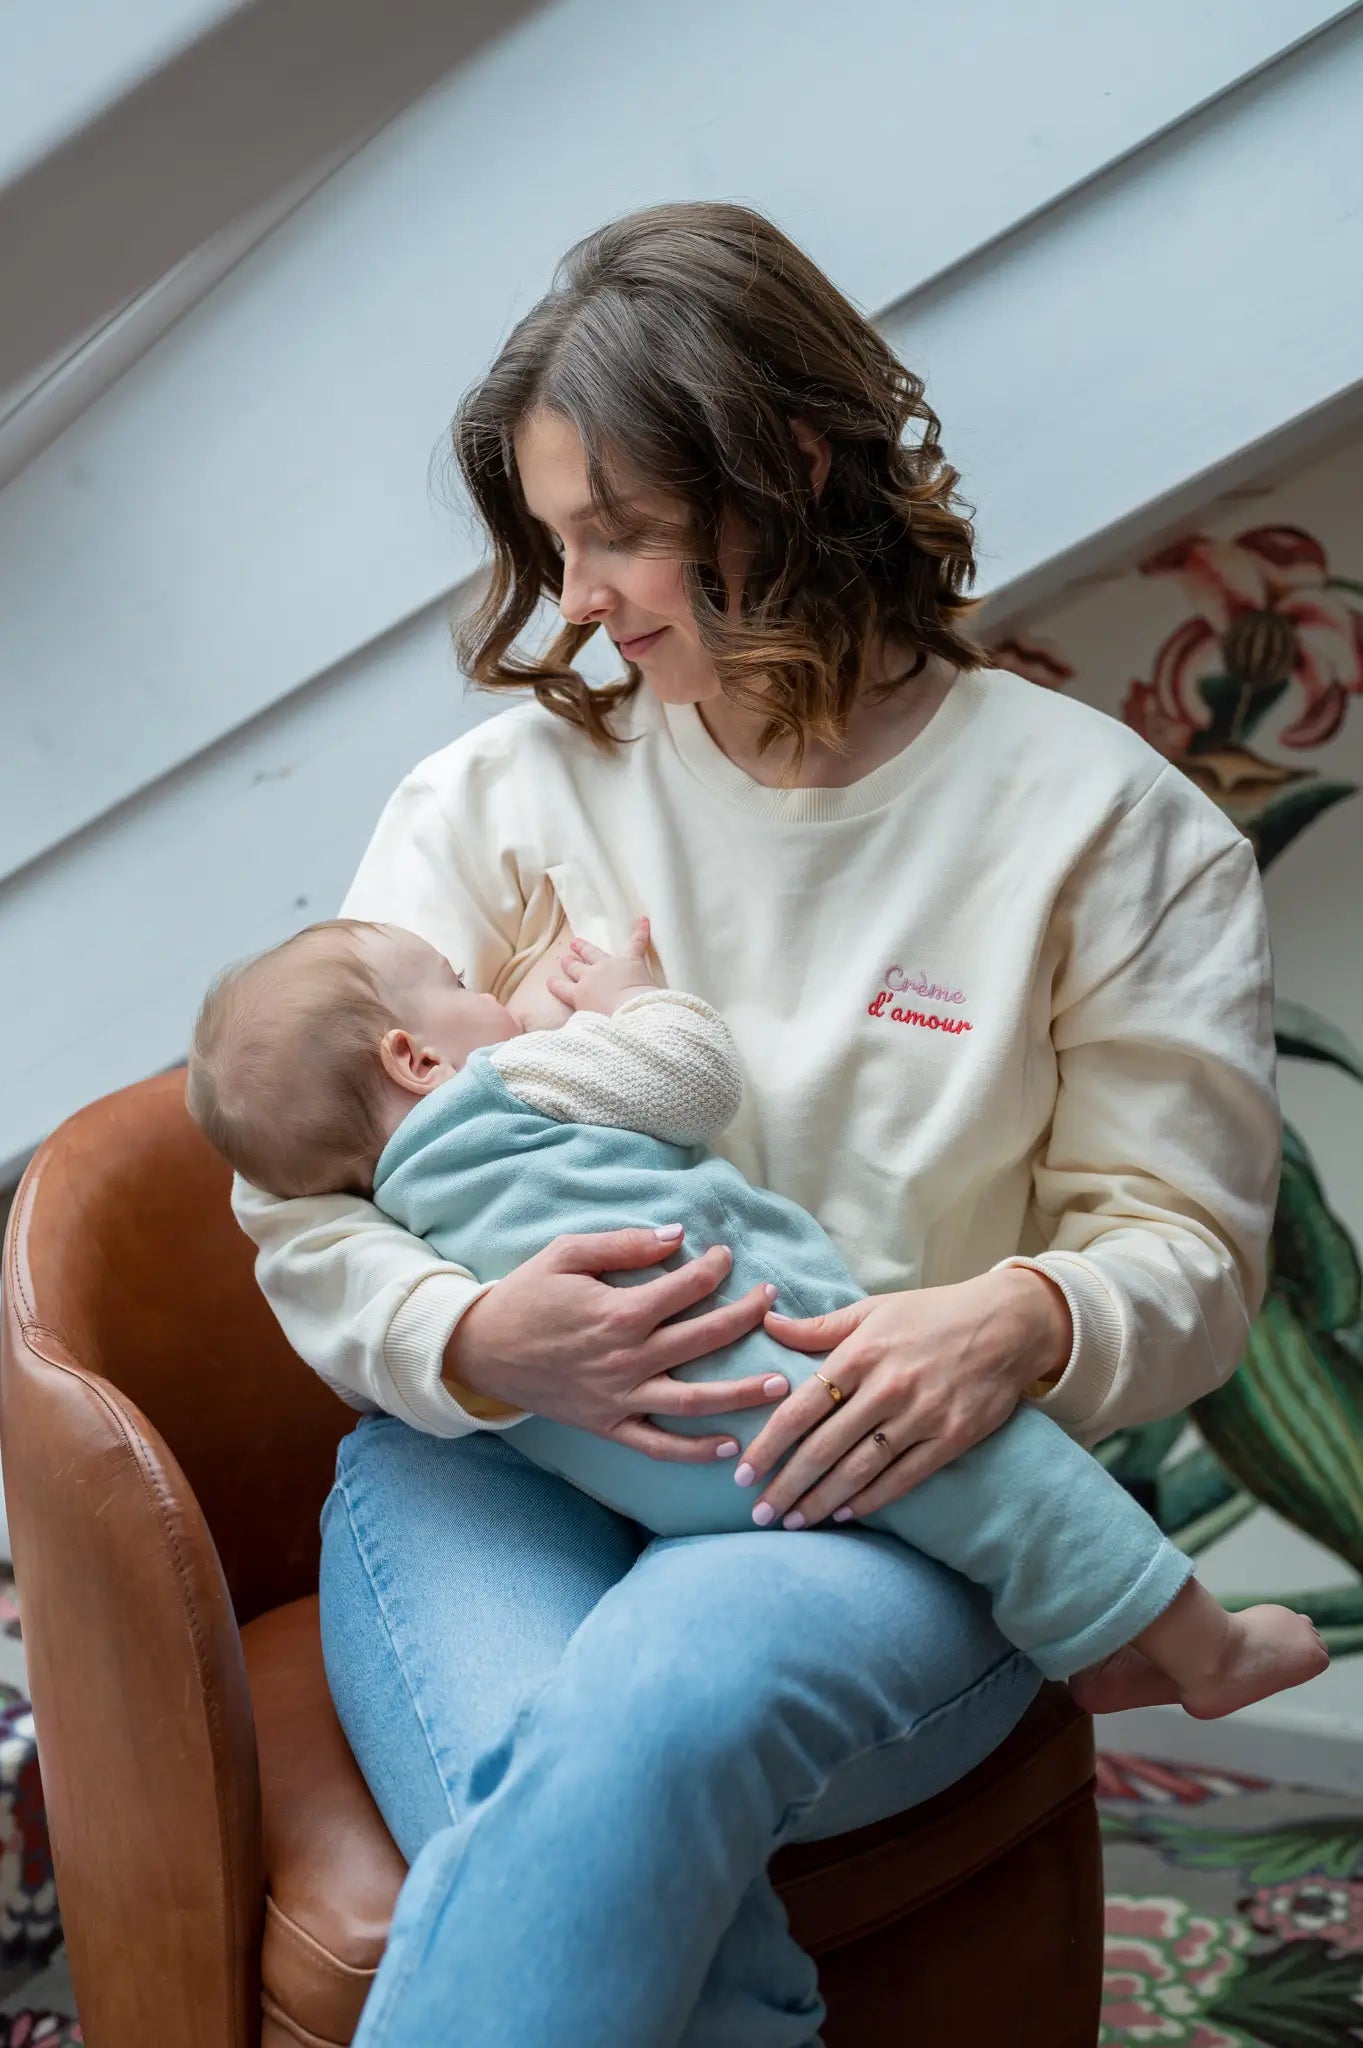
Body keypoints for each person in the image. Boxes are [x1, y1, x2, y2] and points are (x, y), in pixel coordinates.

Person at [231, 199, 1286, 2047]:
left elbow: (1184, 1251)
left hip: (877, 1510)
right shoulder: (491, 798)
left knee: (642, 1719)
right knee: (601, 1829)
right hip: (485, 1469)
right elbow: (305, 1206)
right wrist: (474, 1334)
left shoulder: (1105, 833)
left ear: (790, 468)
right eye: (554, 543)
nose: (575, 600)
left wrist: (1021, 1315)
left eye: (615, 531)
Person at [193, 910, 1323, 1719]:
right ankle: (1207, 1650)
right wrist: (626, 996)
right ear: (415, 1052)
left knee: (940, 1515)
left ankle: (1093, 1651)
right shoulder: (514, 1085)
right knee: (1005, 1473)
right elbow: (690, 1080)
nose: (492, 988)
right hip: (782, 1374)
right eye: (457, 976)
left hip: (650, 1474)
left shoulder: (397, 1201)